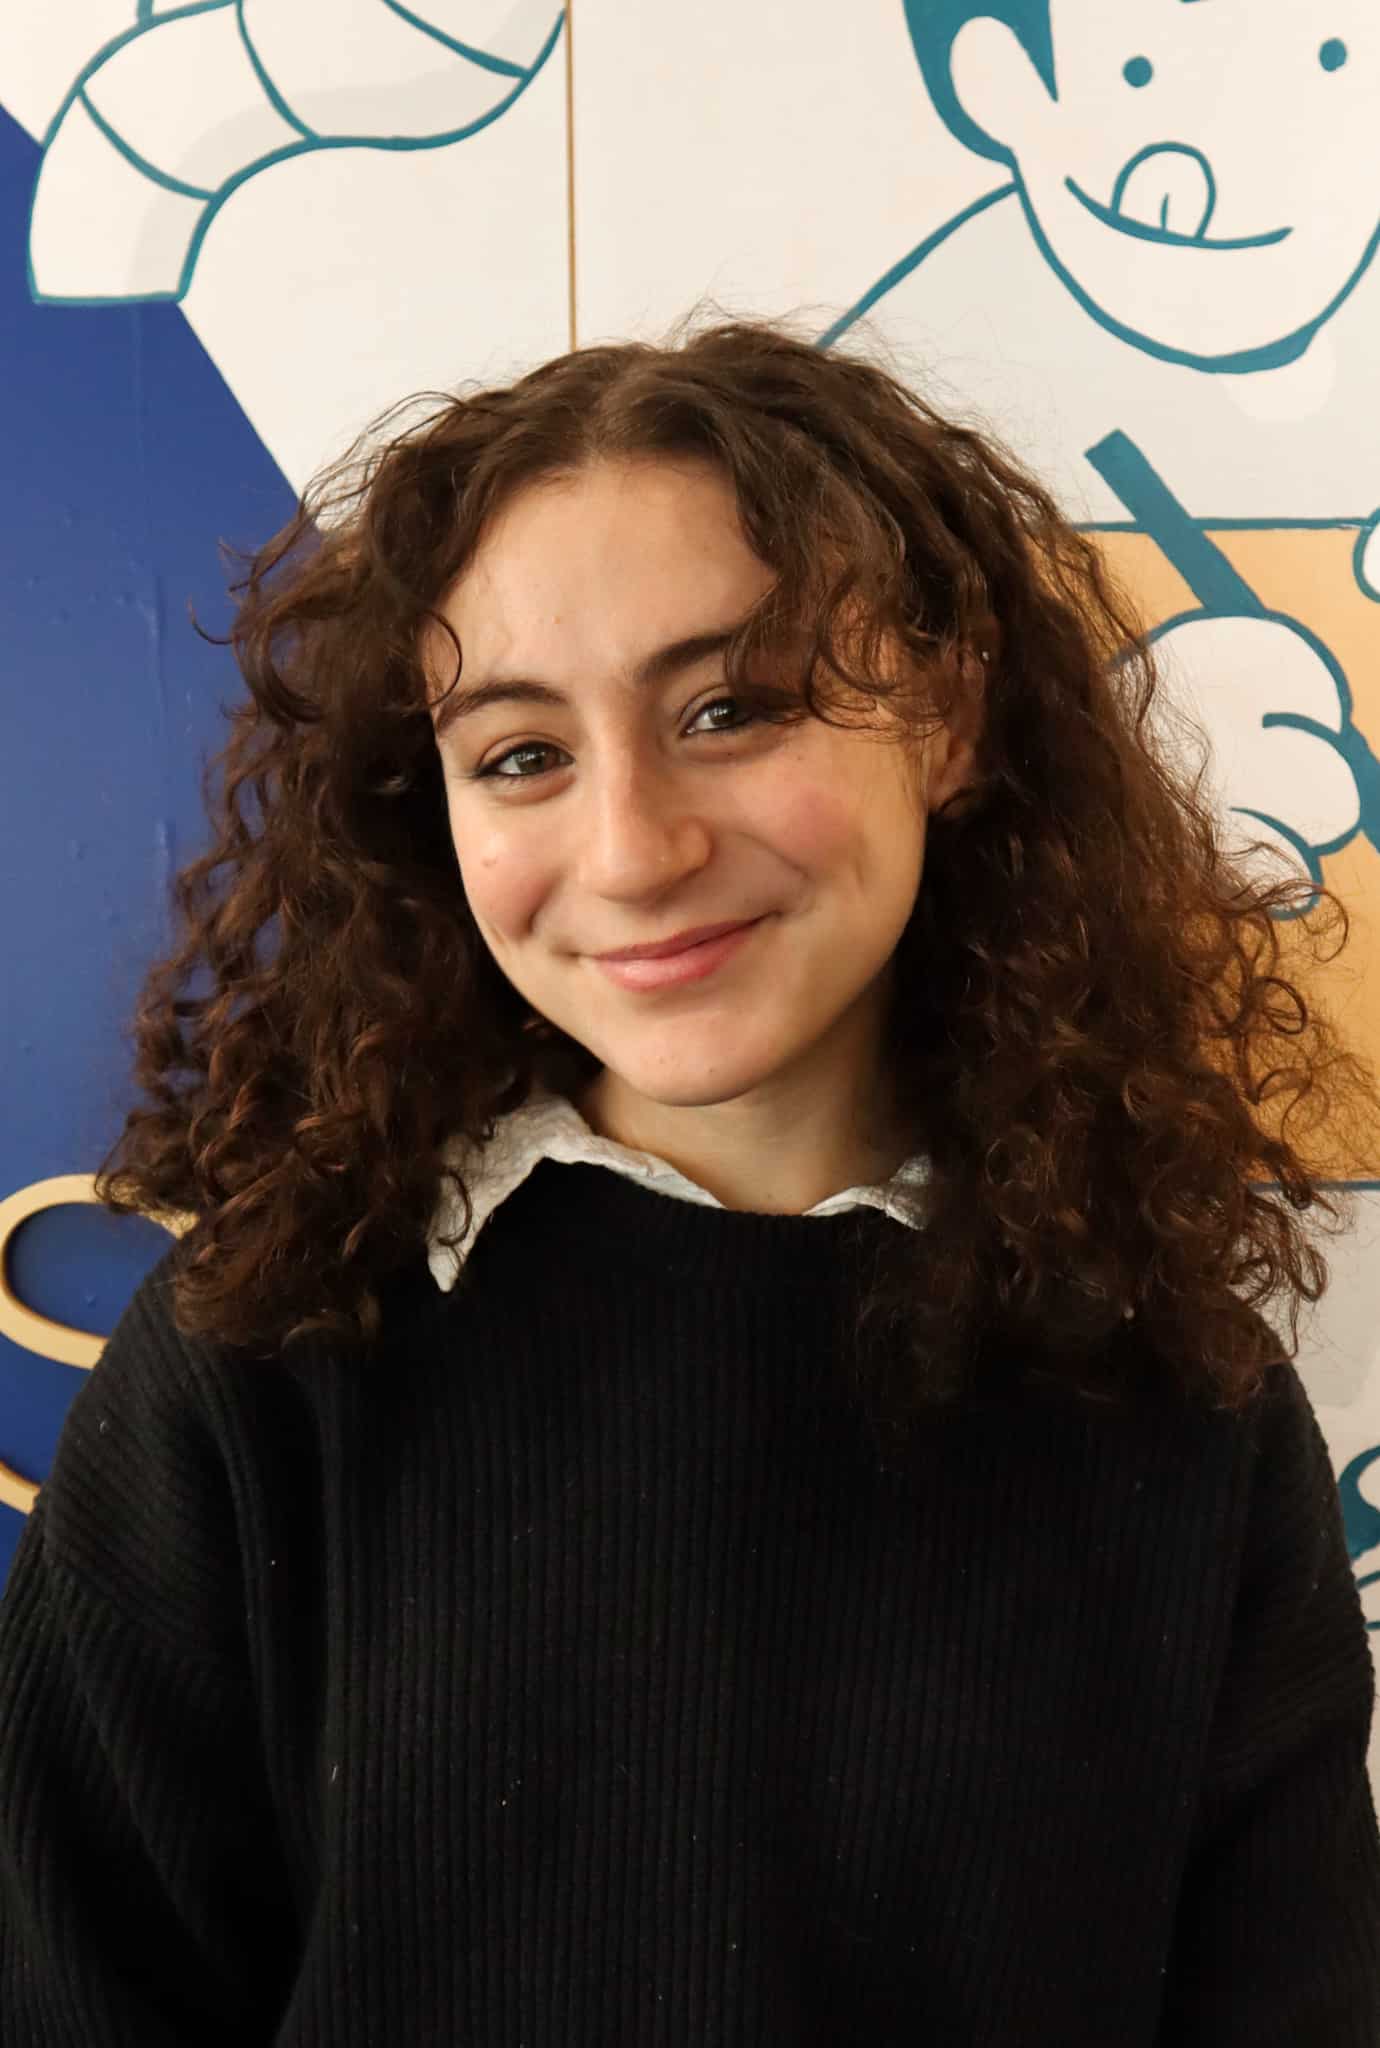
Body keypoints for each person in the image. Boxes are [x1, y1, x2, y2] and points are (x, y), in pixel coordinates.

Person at [0, 314, 1377, 2044]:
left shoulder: (1188, 1413)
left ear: (946, 717)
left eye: (730, 708)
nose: (633, 848)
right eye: (520, 754)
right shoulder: (262, 1368)